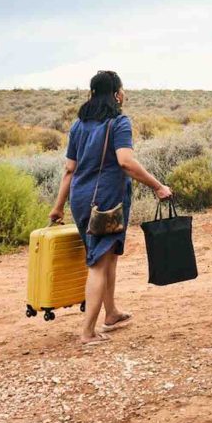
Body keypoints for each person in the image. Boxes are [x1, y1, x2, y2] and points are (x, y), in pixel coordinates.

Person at [49, 71, 172, 346]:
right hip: (106, 201)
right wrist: (157, 186)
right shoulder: (119, 122)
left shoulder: (79, 125)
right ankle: (87, 332)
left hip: (81, 199)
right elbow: (126, 161)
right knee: (98, 262)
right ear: (117, 93)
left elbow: (69, 169)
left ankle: (111, 313)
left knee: (108, 255)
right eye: (122, 89)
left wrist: (58, 207)